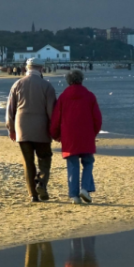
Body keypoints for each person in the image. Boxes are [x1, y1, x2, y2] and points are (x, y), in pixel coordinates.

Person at [6, 57, 56, 202]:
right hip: (41, 128)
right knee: (44, 158)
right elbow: (51, 111)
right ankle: (41, 183)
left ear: (26, 68)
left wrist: (11, 128)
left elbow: (10, 109)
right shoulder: (47, 86)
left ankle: (32, 194)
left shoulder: (17, 84)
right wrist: (54, 129)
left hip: (22, 127)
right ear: (41, 69)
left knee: (28, 162)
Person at [49, 69, 102, 204]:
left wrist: (55, 135)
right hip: (86, 135)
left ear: (68, 81)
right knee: (88, 162)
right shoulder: (89, 96)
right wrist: (93, 133)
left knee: (72, 165)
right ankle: (85, 188)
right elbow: (97, 119)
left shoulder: (63, 97)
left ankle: (74, 196)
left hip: (69, 136)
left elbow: (56, 119)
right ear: (81, 80)